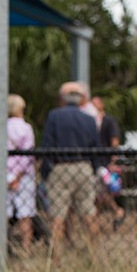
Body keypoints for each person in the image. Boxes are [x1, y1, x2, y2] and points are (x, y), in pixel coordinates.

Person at [39, 81, 101, 252]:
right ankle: (95, 255)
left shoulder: (54, 116)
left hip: (61, 167)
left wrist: (46, 171)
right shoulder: (89, 120)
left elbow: (47, 145)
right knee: (89, 213)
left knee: (57, 216)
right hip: (84, 167)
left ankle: (56, 257)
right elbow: (96, 147)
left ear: (62, 99)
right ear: (81, 100)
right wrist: (93, 170)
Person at [6, 94, 36, 253]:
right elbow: (28, 154)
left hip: (4, 174)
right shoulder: (26, 128)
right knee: (25, 215)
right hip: (23, 176)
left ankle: (3, 249)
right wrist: (18, 176)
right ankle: (26, 250)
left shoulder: (0, 128)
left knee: (3, 214)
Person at [93, 95, 126, 229]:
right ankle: (99, 217)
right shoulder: (91, 122)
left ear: (102, 104)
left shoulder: (109, 121)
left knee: (101, 192)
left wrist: (113, 160)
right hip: (95, 161)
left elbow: (115, 142)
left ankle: (117, 210)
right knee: (98, 192)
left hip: (105, 162)